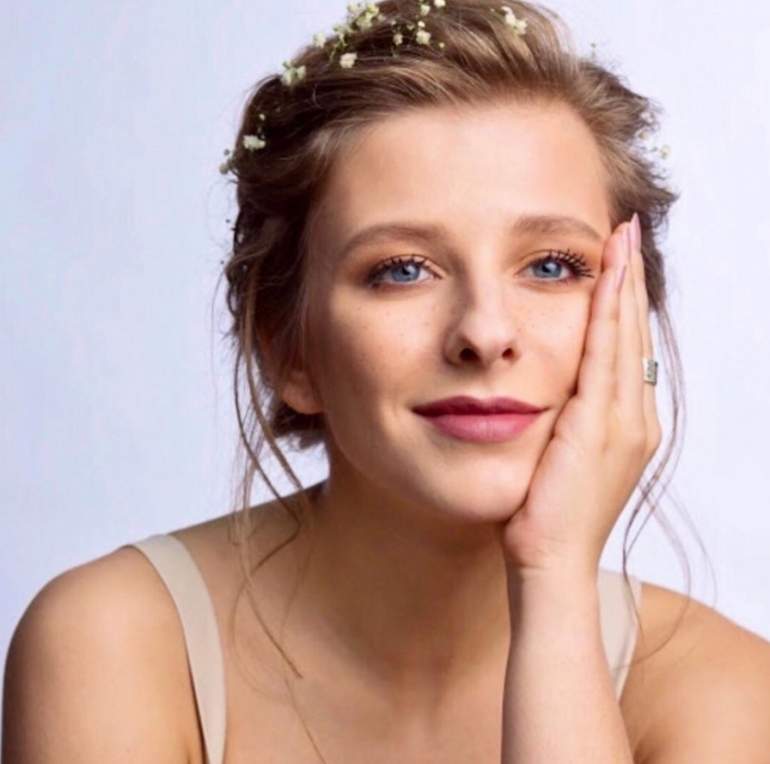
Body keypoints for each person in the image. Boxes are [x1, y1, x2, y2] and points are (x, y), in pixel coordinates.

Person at [4, 1, 770, 761]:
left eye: (550, 266)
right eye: (402, 270)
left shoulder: (722, 691)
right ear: (286, 348)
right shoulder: (112, 645)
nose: (485, 333)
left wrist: (556, 580)